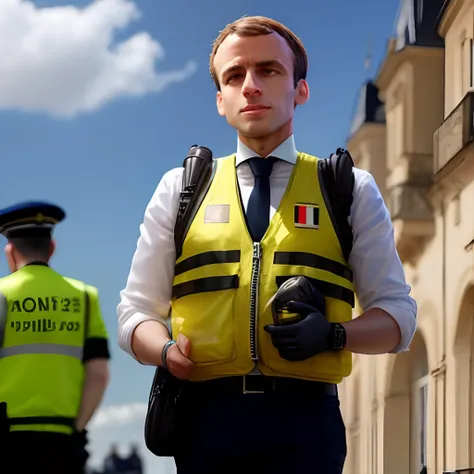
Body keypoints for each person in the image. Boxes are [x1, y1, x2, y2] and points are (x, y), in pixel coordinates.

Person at [117, 15, 417, 474]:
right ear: (220, 100)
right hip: (204, 420)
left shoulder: (348, 187)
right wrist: (164, 351)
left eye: (268, 70)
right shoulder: (180, 188)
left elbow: (398, 317)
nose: (251, 86)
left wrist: (335, 335)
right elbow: (135, 312)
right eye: (234, 76)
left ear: (301, 89)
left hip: (307, 423)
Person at [0, 201, 111, 474]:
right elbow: (99, 375)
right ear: (51, 248)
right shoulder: (85, 296)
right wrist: (77, 429)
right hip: (62, 443)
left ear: (10, 251)